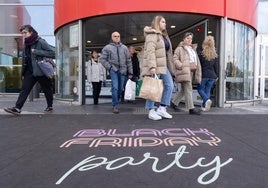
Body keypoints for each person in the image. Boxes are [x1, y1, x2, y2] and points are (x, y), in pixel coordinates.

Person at [4, 25, 55, 115]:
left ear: (31, 32)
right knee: (24, 89)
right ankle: (17, 108)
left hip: (40, 70)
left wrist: (36, 51)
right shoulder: (26, 44)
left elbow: (52, 53)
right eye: (22, 33)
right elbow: (25, 59)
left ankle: (49, 106)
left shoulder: (40, 41)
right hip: (29, 71)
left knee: (47, 89)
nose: (23, 34)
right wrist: (23, 71)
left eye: (25, 32)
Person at [142, 15, 175, 121]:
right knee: (153, 88)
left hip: (164, 66)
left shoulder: (164, 36)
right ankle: (151, 111)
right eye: (163, 22)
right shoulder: (152, 35)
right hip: (156, 65)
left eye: (165, 22)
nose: (165, 24)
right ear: (157, 23)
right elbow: (150, 51)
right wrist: (152, 66)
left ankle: (162, 108)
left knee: (169, 85)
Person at [99, 31, 133, 113]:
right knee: (115, 87)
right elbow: (102, 59)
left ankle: (116, 102)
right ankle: (115, 106)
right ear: (112, 37)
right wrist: (110, 67)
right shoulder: (107, 47)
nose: (117, 37)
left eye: (118, 36)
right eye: (115, 36)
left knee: (120, 89)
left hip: (123, 71)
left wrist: (130, 72)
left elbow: (128, 61)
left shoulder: (124, 48)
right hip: (113, 70)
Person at [172, 32, 202, 115]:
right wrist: (181, 65)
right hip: (184, 70)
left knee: (183, 90)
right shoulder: (180, 49)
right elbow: (175, 59)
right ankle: (191, 108)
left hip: (191, 71)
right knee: (189, 89)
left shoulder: (192, 49)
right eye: (188, 38)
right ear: (184, 39)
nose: (189, 40)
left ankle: (174, 103)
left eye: (191, 38)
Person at [197, 36, 218, 111]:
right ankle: (204, 106)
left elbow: (199, 66)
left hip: (204, 75)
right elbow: (216, 66)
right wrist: (216, 75)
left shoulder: (201, 53)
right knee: (207, 90)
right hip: (212, 76)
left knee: (200, 89)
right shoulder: (214, 54)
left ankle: (206, 100)